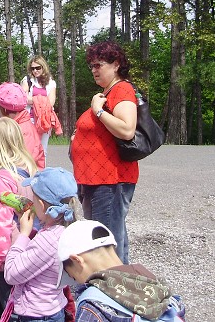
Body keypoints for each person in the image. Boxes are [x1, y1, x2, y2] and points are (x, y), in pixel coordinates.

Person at [69, 41, 138, 264]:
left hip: (109, 181)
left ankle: (113, 289)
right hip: (96, 180)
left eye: (98, 65)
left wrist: (98, 111)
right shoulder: (107, 92)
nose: (94, 70)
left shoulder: (122, 90)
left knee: (106, 241)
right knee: (106, 236)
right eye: (91, 66)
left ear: (116, 64)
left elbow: (127, 129)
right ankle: (115, 286)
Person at [57, 220, 186, 322]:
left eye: (73, 277)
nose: (77, 282)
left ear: (77, 260)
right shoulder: (158, 287)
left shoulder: (93, 305)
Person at [0, 117, 38, 322]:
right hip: (26, 248)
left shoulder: (1, 180)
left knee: (4, 308)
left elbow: (1, 226)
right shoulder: (28, 171)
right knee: (21, 302)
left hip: (5, 260)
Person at [3, 167, 79, 322]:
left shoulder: (48, 240)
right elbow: (41, 258)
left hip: (35, 314)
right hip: (53, 307)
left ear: (42, 205)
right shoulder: (65, 230)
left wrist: (23, 234)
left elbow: (11, 274)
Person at [0, 82, 45, 171]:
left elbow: (25, 162)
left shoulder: (24, 130)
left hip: (26, 180)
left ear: (3, 109)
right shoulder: (14, 126)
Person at [21, 55, 58, 156]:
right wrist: (41, 101)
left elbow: (51, 103)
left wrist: (33, 100)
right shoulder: (27, 80)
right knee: (28, 150)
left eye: (38, 68)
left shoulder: (51, 82)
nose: (35, 71)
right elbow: (23, 98)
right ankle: (29, 171)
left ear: (43, 67)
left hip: (44, 120)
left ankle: (41, 172)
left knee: (42, 150)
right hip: (29, 119)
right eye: (33, 68)